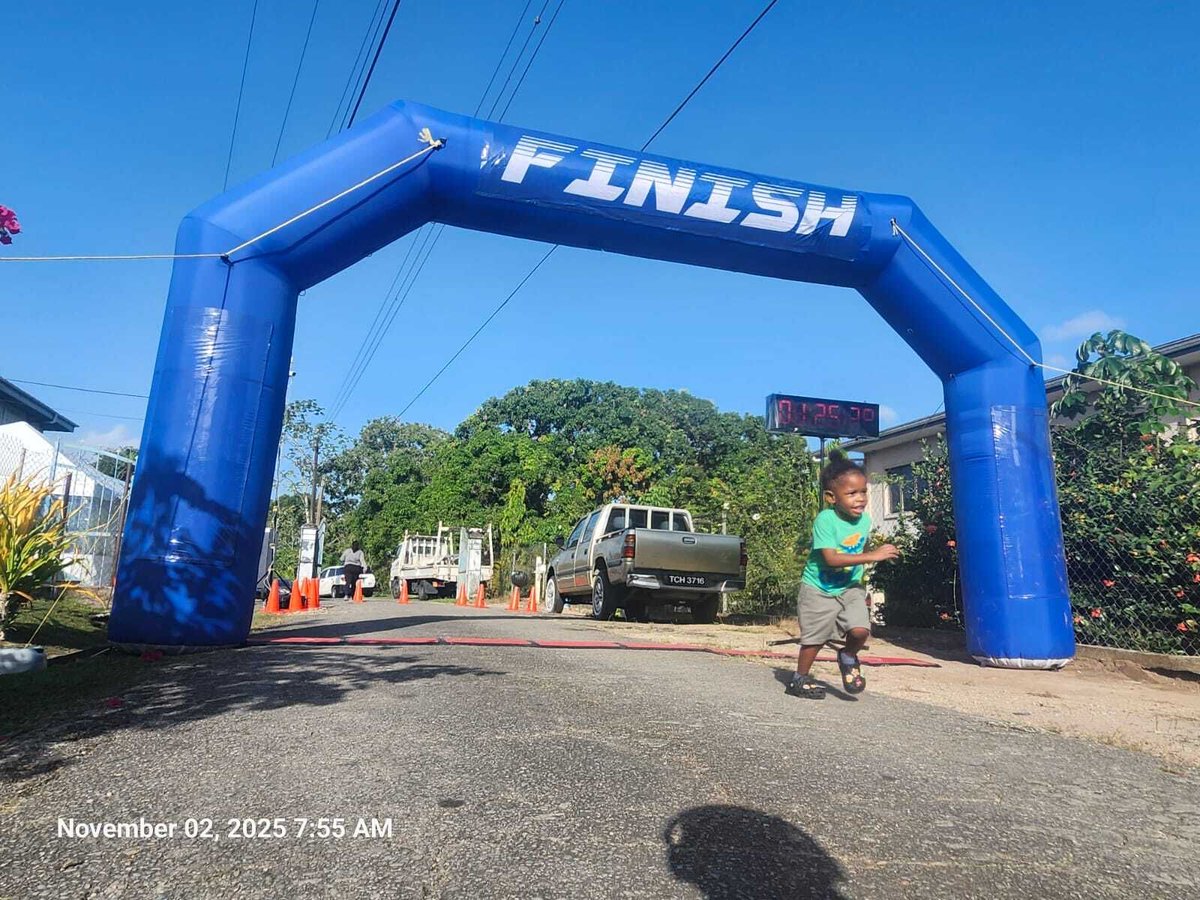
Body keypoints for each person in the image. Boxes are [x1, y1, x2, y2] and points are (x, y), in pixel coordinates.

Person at [787, 451, 900, 699]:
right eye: (851, 494)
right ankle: (799, 679)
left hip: (850, 586)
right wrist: (873, 556)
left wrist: (874, 555)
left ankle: (848, 655)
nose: (860, 499)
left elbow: (855, 550)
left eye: (863, 492)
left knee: (860, 631)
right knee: (814, 639)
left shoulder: (864, 520)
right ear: (831, 497)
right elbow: (831, 559)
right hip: (818, 588)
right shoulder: (825, 520)